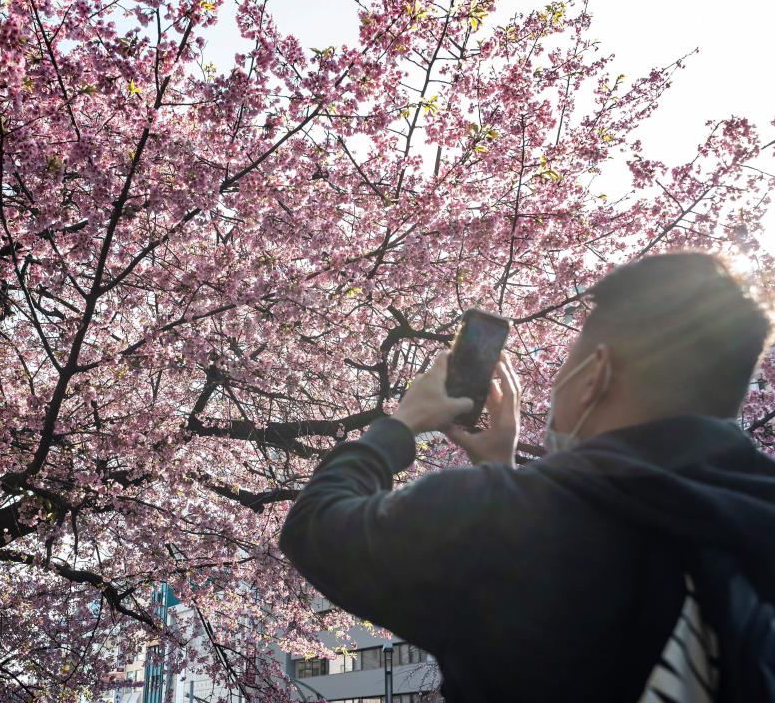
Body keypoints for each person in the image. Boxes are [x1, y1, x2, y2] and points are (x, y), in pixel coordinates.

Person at [278, 251, 775, 703]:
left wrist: (401, 426)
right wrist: (502, 475)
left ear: (594, 376)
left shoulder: (498, 518)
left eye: (568, 362)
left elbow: (315, 527)